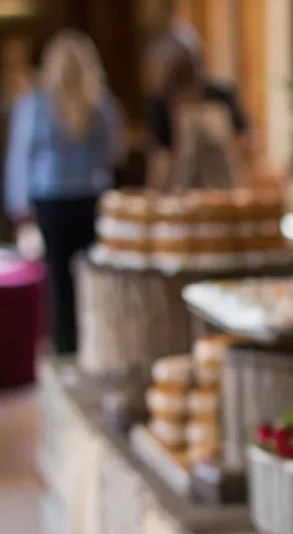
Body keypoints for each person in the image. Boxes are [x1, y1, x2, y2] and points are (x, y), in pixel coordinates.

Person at [4, 30, 122, 355]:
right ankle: (94, 343)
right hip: (91, 197)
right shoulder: (102, 104)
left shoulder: (35, 104)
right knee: (92, 275)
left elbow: (21, 155)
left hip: (51, 199)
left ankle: (65, 344)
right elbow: (115, 153)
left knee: (57, 277)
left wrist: (18, 205)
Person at [145, 26, 249, 190]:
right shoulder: (162, 105)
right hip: (183, 191)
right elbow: (161, 160)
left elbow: (245, 143)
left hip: (225, 187)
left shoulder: (223, 96)